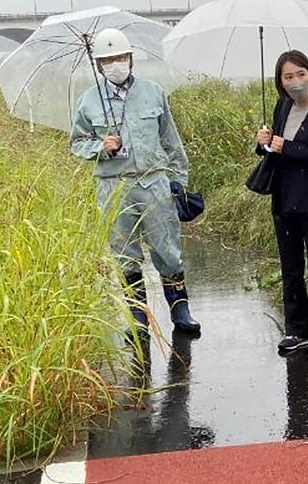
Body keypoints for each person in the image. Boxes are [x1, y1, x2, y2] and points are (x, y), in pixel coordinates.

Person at [70, 28, 200, 338]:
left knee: (167, 249)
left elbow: (172, 142)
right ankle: (137, 315)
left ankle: (180, 309)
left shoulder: (153, 91)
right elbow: (76, 143)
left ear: (130, 58)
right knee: (124, 253)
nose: (116, 63)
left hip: (153, 181)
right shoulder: (88, 101)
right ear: (99, 64)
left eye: (120, 57)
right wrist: (100, 146)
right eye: (108, 59)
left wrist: (178, 181)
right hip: (113, 186)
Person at [255, 50, 308, 354]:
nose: (295, 82)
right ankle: (295, 329)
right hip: (285, 198)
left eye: (300, 74)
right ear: (280, 82)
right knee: (290, 267)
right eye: (288, 77)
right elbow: (273, 151)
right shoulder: (282, 107)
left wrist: (286, 146)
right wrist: (264, 142)